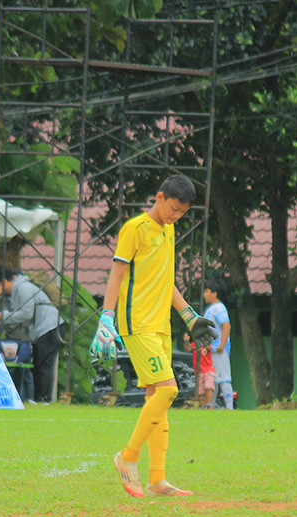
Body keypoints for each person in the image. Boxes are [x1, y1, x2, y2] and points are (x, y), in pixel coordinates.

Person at [91, 174, 218, 497]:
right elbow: (116, 276)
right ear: (159, 197)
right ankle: (127, 457)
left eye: (182, 212)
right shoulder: (134, 229)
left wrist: (189, 316)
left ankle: (157, 480)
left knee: (156, 400)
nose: (177, 216)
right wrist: (106, 319)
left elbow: (165, 281)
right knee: (168, 390)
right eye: (174, 208)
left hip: (160, 325)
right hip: (137, 325)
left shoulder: (170, 229)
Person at [0, 268, 62, 403]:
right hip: (43, 328)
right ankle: (39, 397)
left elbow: (26, 313)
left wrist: (3, 317)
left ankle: (44, 398)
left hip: (50, 327)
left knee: (44, 364)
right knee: (38, 363)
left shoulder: (23, 288)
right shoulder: (20, 289)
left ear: (3, 282)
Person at [203, 280, 234, 409]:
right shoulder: (212, 309)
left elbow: (226, 325)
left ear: (214, 294)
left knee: (223, 378)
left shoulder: (219, 308)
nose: (204, 294)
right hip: (212, 350)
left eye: (207, 291)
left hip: (219, 351)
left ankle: (230, 408)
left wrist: (221, 346)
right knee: (214, 380)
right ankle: (211, 407)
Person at [185, 333, 216, 408]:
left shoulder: (207, 343)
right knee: (201, 391)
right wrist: (186, 341)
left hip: (208, 370)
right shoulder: (194, 344)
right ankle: (203, 406)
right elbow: (188, 349)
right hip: (199, 371)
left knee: (208, 387)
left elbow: (210, 348)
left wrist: (204, 342)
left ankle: (209, 405)